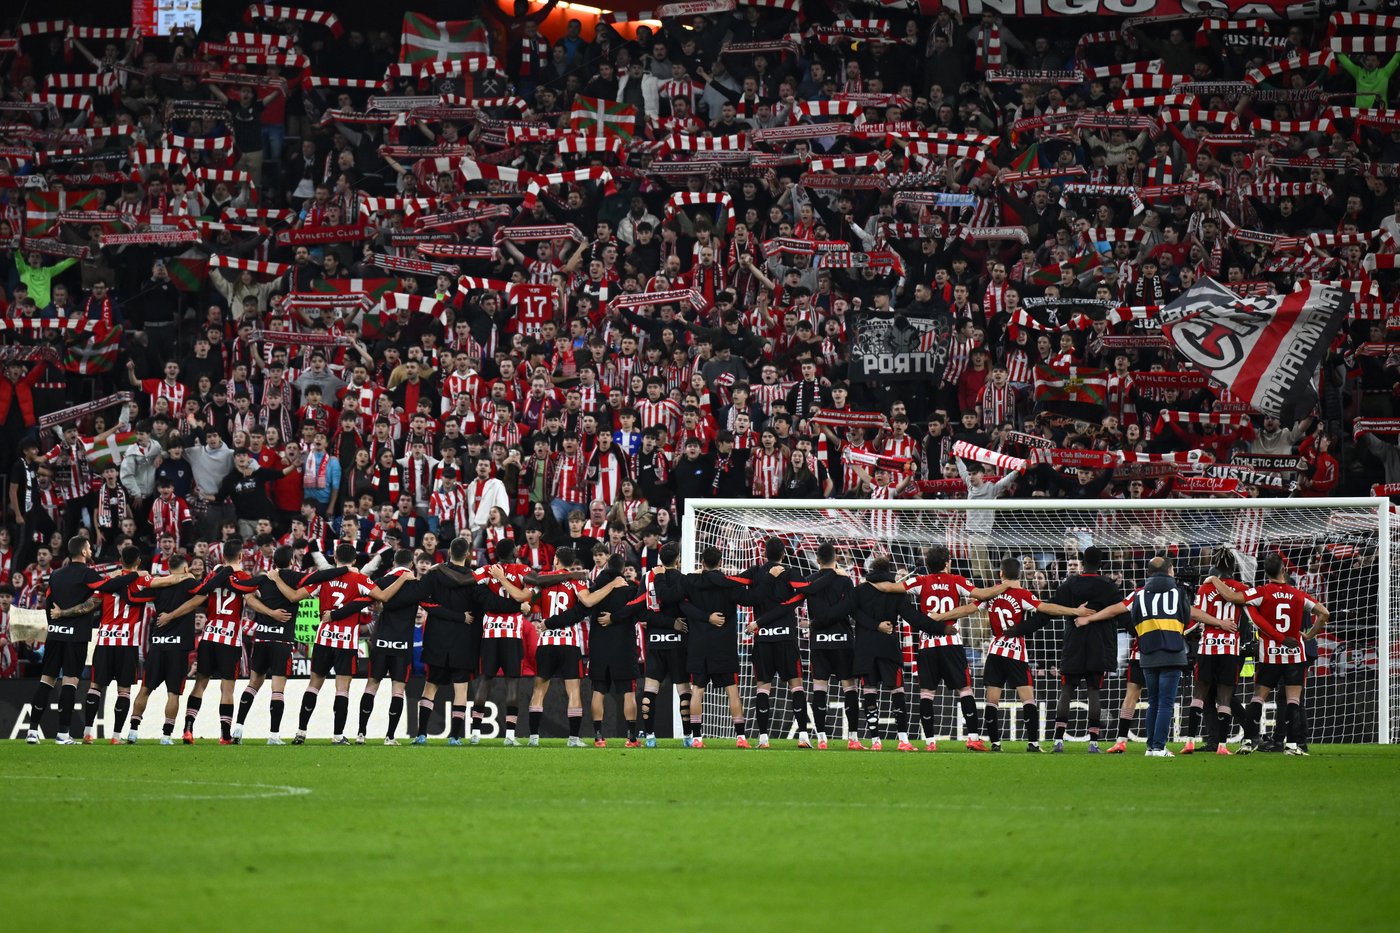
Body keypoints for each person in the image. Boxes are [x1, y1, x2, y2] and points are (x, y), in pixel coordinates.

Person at [1074, 556, 1233, 757]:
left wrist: (1090, 619)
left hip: (1146, 653)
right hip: (1172, 653)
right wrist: (1219, 622)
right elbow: (1189, 615)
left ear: (1149, 573)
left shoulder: (1138, 594)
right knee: (1165, 703)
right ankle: (1159, 746)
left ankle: (1149, 747)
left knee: (1153, 702)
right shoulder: (1178, 593)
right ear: (1169, 571)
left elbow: (1121, 612)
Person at [1209, 553, 1330, 756]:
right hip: (1294, 654)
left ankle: (1248, 742)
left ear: (1265, 572)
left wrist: (1214, 579)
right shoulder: (1299, 595)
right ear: (1284, 570)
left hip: (1270, 655)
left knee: (1258, 697)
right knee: (1293, 700)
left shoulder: (1262, 592)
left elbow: (1230, 596)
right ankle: (1292, 746)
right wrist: (1309, 635)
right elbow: (1324, 613)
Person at [902, 546, 1011, 751]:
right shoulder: (956, 580)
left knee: (927, 693)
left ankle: (930, 742)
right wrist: (1006, 584)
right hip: (951, 643)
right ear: (947, 563)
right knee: (965, 689)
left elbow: (894, 589)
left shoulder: (920, 581)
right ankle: (973, 738)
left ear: (928, 564)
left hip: (927, 645)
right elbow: (982, 594)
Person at [978, 558, 1086, 752]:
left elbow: (968, 608)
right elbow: (1047, 608)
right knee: (1028, 699)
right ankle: (1033, 743)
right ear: (1019, 574)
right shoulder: (1023, 594)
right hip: (1015, 651)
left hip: (994, 650)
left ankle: (995, 743)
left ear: (1001, 574)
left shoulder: (990, 594)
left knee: (992, 700)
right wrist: (1075, 611)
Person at [25, 538, 105, 744]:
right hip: (76, 636)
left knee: (46, 680)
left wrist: (54, 624)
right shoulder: (88, 574)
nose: (90, 550)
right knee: (70, 682)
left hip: (55, 634)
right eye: (89, 548)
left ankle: (32, 731)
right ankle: (62, 734)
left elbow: (49, 603)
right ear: (84, 552)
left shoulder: (56, 574)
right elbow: (106, 588)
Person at [1048, 547, 1122, 753]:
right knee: (1094, 691)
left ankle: (1058, 740)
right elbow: (1121, 611)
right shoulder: (1108, 586)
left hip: (1074, 642)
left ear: (1083, 562)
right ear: (1100, 563)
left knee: (1067, 689)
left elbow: (1054, 605)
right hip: (1099, 644)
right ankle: (1093, 742)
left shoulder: (1070, 583)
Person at [127, 554, 203, 743]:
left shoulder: (159, 585)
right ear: (185, 569)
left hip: (158, 644)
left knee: (145, 689)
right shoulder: (189, 584)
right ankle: (166, 735)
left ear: (169, 570)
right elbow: (204, 594)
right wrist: (192, 577)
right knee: (173, 693)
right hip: (179, 647)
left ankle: (133, 732)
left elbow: (133, 596)